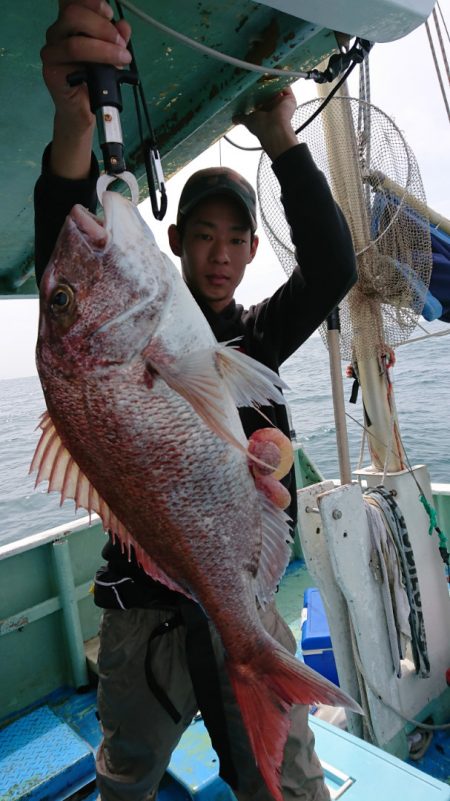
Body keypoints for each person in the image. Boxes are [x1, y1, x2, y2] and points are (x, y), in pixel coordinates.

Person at [34, 3, 357, 801]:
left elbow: (332, 265)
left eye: (235, 239)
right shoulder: (131, 317)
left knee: (284, 781)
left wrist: (282, 140)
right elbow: (68, 263)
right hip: (143, 612)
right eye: (202, 235)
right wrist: (73, 125)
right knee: (130, 775)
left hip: (241, 599)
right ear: (172, 241)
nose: (219, 254)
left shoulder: (254, 336)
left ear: (252, 250)